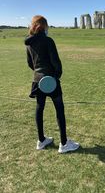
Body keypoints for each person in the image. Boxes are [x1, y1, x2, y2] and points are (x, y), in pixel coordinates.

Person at [24, 15, 79, 153]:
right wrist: (56, 76)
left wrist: (39, 74)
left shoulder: (29, 43)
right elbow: (56, 62)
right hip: (51, 80)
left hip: (37, 81)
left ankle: (41, 140)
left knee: (39, 108)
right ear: (44, 26)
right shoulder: (48, 41)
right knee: (59, 109)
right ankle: (64, 144)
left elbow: (30, 63)